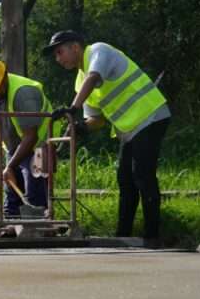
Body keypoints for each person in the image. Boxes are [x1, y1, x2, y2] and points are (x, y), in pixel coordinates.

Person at [44, 30, 170, 247]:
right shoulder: (80, 81)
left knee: (142, 175)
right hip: (130, 129)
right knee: (125, 180)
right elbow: (97, 120)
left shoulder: (99, 51)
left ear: (75, 47)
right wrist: (79, 128)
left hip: (151, 115)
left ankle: (152, 236)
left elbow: (94, 78)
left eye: (60, 52)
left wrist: (72, 109)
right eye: (55, 55)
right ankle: (123, 235)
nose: (58, 59)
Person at [0, 57, 55, 217]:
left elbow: (31, 137)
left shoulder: (24, 93)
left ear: (4, 76)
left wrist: (10, 166)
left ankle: (38, 228)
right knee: (11, 191)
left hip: (40, 144)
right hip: (14, 145)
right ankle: (10, 225)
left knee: (34, 189)